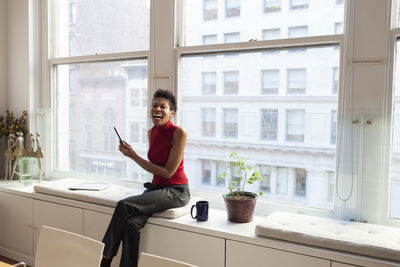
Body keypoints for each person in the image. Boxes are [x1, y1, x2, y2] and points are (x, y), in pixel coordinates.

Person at [101, 89, 191, 267]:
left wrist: (133, 156)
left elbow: (167, 173)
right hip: (156, 189)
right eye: (154, 105)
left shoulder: (179, 133)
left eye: (163, 106)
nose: (157, 109)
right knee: (131, 224)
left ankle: (104, 260)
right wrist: (132, 154)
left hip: (176, 191)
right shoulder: (152, 133)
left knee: (123, 205)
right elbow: (156, 167)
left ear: (171, 112)